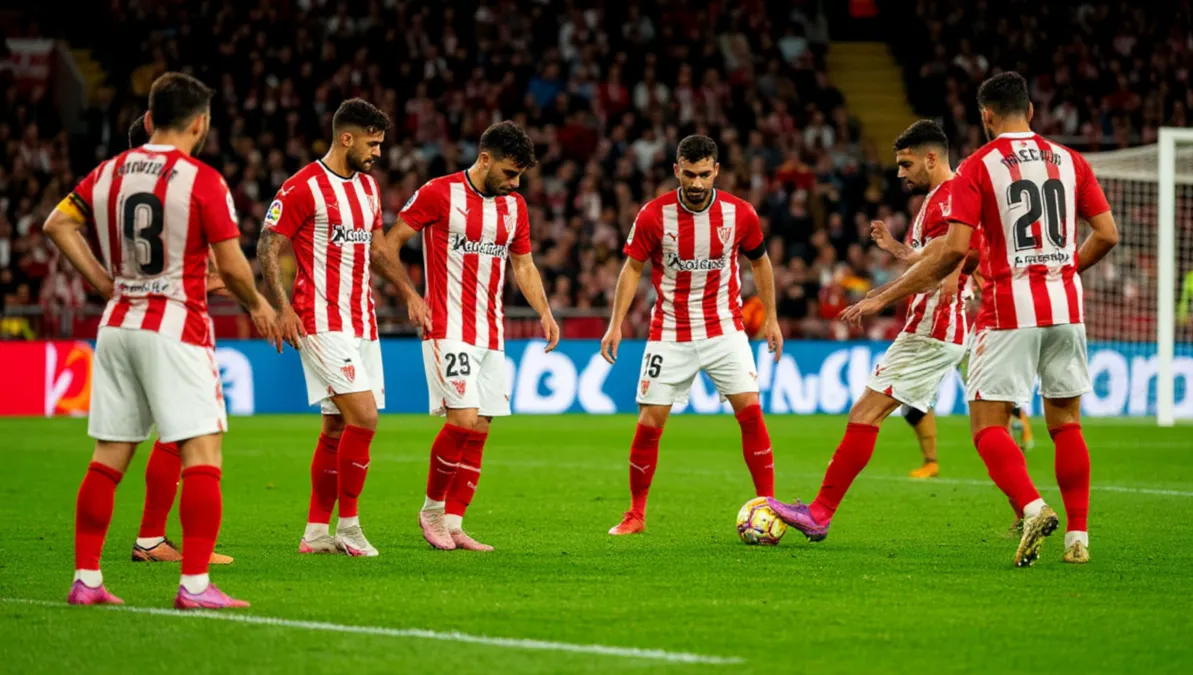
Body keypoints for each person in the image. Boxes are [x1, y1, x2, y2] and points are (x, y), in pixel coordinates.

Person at [833, 72, 1119, 567]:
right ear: (1030, 111)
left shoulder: (978, 167)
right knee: (1066, 424)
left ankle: (1031, 507)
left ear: (986, 116)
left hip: (1009, 309)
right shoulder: (1071, 160)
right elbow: (1107, 234)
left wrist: (883, 296)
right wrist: (1066, 268)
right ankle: (1079, 540)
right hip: (1067, 308)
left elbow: (957, 251)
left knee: (988, 426)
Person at [46, 72, 278, 608]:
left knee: (108, 456)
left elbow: (57, 225)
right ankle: (195, 586)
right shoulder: (201, 179)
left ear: (149, 119)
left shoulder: (106, 172)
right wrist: (258, 303)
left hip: (118, 324)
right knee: (203, 451)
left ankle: (87, 580)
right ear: (200, 124)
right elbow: (234, 265)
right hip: (175, 327)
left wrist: (105, 283)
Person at [763, 120, 977, 538]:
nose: (899, 173)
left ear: (931, 158)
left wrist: (881, 297)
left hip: (933, 327)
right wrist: (897, 250)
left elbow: (947, 262)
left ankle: (820, 514)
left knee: (865, 412)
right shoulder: (941, 199)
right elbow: (933, 258)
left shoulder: (949, 197)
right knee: (891, 413)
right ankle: (1027, 508)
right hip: (937, 328)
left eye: (905, 163)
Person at [258, 99, 429, 557]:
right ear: (346, 138)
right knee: (365, 416)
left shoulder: (369, 189)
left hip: (362, 320)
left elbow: (377, 251)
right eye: (372, 143)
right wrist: (282, 307)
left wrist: (411, 294)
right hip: (319, 318)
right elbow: (267, 247)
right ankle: (350, 527)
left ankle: (316, 533)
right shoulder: (303, 187)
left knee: (336, 427)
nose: (377, 152)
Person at [600, 134, 784, 535]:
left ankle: (768, 505)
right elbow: (631, 269)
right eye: (689, 174)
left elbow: (761, 263)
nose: (697, 183)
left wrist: (771, 317)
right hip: (670, 331)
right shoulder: (653, 216)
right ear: (676, 171)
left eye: (704, 174)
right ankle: (635, 513)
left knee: (751, 412)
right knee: (650, 420)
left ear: (716, 170)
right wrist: (615, 323)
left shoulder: (741, 214)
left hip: (725, 329)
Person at [388, 121, 558, 551]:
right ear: (485, 159)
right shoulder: (438, 192)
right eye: (510, 172)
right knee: (461, 419)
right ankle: (430, 511)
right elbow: (387, 244)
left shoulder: (514, 207)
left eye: (520, 175)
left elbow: (523, 265)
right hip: (446, 326)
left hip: (491, 330)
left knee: (481, 426)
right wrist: (411, 295)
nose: (515, 182)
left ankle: (455, 522)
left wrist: (545, 312)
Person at [120, 112, 233, 565]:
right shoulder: (177, 192)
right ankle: (152, 539)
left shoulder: (115, 191)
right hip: (174, 326)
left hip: (126, 324)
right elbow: (205, 276)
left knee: (121, 447)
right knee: (186, 432)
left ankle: (104, 561)